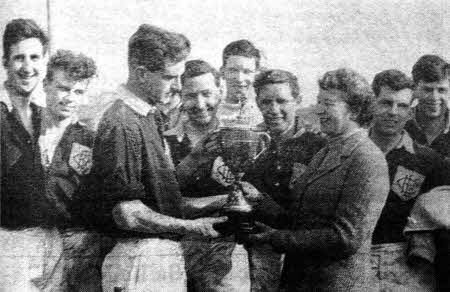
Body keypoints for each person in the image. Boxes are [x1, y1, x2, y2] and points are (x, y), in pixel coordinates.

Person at [84, 24, 227, 291]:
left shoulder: (149, 115)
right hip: (138, 258)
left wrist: (223, 200)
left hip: (159, 256)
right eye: (169, 77)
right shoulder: (121, 123)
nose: (176, 87)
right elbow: (127, 214)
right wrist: (192, 227)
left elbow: (162, 203)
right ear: (140, 73)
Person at [245, 68, 390, 291]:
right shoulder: (326, 152)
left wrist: (276, 239)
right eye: (318, 102)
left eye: (328, 104)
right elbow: (300, 220)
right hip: (301, 281)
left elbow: (346, 238)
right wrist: (258, 201)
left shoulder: (367, 158)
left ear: (354, 109)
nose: (318, 110)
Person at [165, 59, 251, 291]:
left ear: (220, 91)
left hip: (232, 245)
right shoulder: (166, 141)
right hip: (180, 245)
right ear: (181, 95)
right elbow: (167, 203)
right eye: (191, 96)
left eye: (206, 94)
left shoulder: (239, 136)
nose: (200, 104)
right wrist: (223, 201)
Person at [369, 69, 450, 290]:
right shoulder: (351, 150)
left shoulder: (428, 160)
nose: (393, 112)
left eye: (402, 106)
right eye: (386, 103)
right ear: (372, 104)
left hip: (407, 269)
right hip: (355, 262)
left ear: (409, 111)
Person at [0, 18, 64, 291]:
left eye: (35, 57)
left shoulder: (43, 116)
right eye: (19, 58)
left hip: (50, 238)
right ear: (5, 62)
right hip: (9, 241)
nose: (28, 67)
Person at [40, 49, 102, 291]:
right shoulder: (22, 131)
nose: (69, 98)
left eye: (78, 92)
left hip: (78, 245)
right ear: (45, 84)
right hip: (31, 240)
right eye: (64, 88)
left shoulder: (90, 140)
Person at [405, 55, 450, 157]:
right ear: (415, 89)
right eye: (427, 90)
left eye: (441, 90)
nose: (434, 97)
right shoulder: (399, 122)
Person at [216, 39, 264, 127]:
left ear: (256, 75)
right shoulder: (212, 111)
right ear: (222, 72)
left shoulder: (263, 112)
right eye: (233, 70)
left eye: (247, 71)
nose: (239, 79)